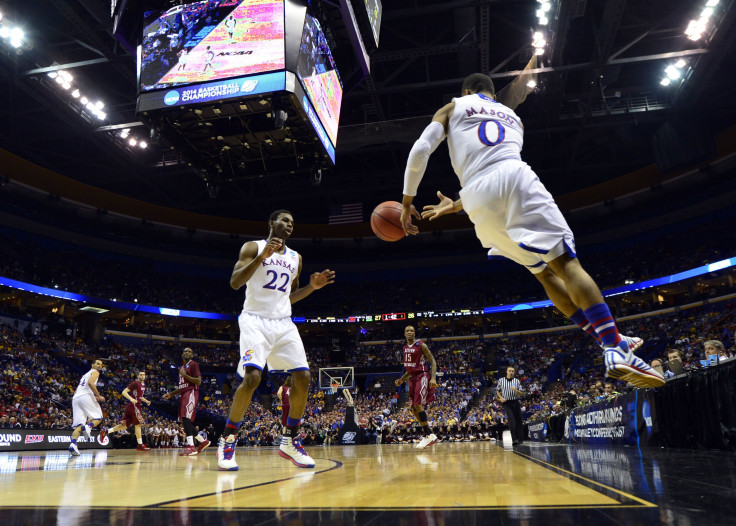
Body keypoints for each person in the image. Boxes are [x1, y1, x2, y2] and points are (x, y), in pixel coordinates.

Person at [399, 62, 663, 389]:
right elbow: (498, 163)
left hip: (477, 202)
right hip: (514, 179)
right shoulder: (514, 119)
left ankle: (611, 340)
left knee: (543, 273)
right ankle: (615, 347)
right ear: (492, 94)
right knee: (566, 264)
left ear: (465, 91)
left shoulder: (454, 106)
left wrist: (409, 201)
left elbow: (423, 147)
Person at [216, 209, 335, 471]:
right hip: (254, 320)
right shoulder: (252, 247)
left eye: (293, 222)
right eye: (284, 220)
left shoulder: (296, 258)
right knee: (252, 378)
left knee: (303, 377)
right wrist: (262, 258)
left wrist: (312, 288)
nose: (290, 225)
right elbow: (235, 282)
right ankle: (228, 439)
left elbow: (287, 298)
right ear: (271, 223)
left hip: (283, 323)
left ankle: (289, 440)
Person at [394, 325, 439, 449]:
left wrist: (433, 377)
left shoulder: (421, 345)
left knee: (418, 404)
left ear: (414, 333)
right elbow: (411, 368)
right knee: (413, 408)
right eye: (407, 330)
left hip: (423, 375)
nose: (409, 332)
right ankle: (428, 433)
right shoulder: (404, 348)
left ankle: (429, 434)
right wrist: (402, 379)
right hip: (412, 377)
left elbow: (433, 361)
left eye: (411, 331)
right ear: (404, 333)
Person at [163, 347, 210, 456]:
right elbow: (182, 387)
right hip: (184, 393)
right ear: (182, 354)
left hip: (191, 392)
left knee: (185, 418)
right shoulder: (181, 368)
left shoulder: (193, 364)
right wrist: (171, 394)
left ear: (192, 355)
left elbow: (198, 381)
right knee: (184, 421)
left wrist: (185, 375)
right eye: (185, 351)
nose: (187, 352)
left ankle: (191, 447)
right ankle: (203, 442)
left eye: (189, 351)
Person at [68, 358, 107, 456]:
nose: (99, 366)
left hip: (76, 398)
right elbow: (91, 383)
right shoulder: (95, 372)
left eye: (101, 365)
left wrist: (91, 397)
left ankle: (73, 444)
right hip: (85, 396)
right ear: (92, 365)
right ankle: (89, 427)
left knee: (79, 425)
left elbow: (78, 391)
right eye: (97, 363)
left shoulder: (84, 375)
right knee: (99, 417)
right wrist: (98, 396)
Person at [107, 371, 152, 451]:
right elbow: (124, 392)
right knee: (138, 425)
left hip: (135, 406)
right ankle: (140, 445)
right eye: (140, 375)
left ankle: (106, 431)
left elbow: (140, 397)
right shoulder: (135, 383)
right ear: (138, 376)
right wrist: (131, 399)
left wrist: (146, 401)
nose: (142, 376)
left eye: (144, 375)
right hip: (134, 406)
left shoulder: (143, 385)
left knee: (125, 425)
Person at [495, 366, 524, 445]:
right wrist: (501, 398)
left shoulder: (516, 381)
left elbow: (521, 394)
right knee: (511, 420)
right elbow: (498, 391)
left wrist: (516, 390)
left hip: (515, 401)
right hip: (506, 402)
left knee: (519, 420)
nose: (511, 372)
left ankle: (520, 439)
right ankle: (514, 439)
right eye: (510, 371)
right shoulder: (501, 380)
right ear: (507, 372)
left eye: (512, 371)